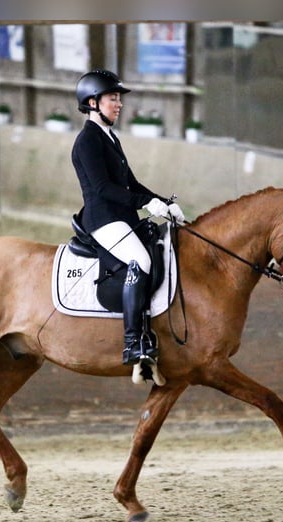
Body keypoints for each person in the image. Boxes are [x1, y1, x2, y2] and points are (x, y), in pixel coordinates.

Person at [71, 69, 186, 366]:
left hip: (122, 217)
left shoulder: (109, 137)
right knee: (141, 261)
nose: (119, 104)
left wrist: (162, 202)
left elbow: (130, 184)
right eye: (113, 98)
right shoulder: (87, 141)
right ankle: (132, 341)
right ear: (93, 102)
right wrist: (145, 203)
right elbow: (103, 188)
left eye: (119, 98)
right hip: (103, 219)